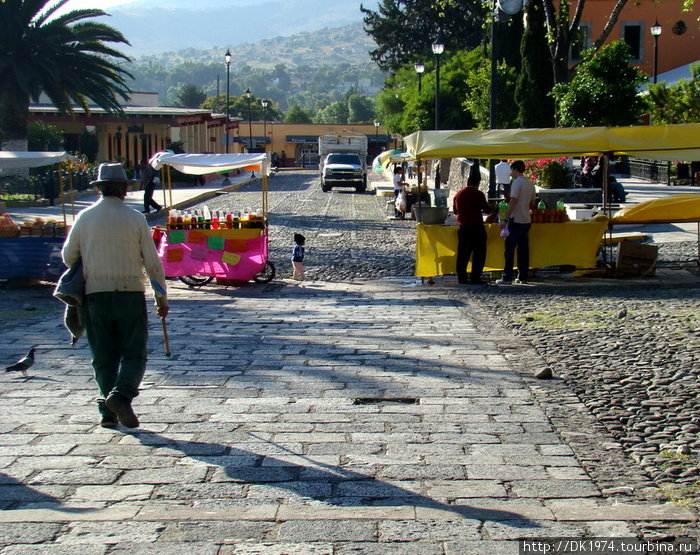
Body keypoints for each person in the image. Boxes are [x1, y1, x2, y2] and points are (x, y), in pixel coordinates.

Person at [62, 163, 169, 428]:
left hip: (95, 296)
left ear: (99, 189)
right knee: (134, 353)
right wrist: (161, 299)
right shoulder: (135, 218)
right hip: (130, 294)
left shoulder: (85, 217)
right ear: (124, 189)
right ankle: (121, 396)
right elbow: (153, 264)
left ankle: (107, 413)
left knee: (103, 355)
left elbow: (68, 256)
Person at [496, 160, 536, 285]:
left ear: (515, 169)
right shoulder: (530, 184)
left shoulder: (516, 183)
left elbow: (513, 201)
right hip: (526, 219)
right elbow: (533, 203)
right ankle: (522, 276)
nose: (510, 173)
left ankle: (507, 276)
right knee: (523, 250)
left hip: (516, 219)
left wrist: (506, 219)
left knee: (509, 249)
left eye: (511, 170)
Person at [453, 174, 492, 285]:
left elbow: (456, 211)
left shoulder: (458, 194)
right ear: (477, 184)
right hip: (476, 227)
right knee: (479, 254)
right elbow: (487, 210)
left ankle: (462, 278)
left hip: (463, 228)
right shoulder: (478, 194)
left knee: (463, 254)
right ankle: (475, 277)